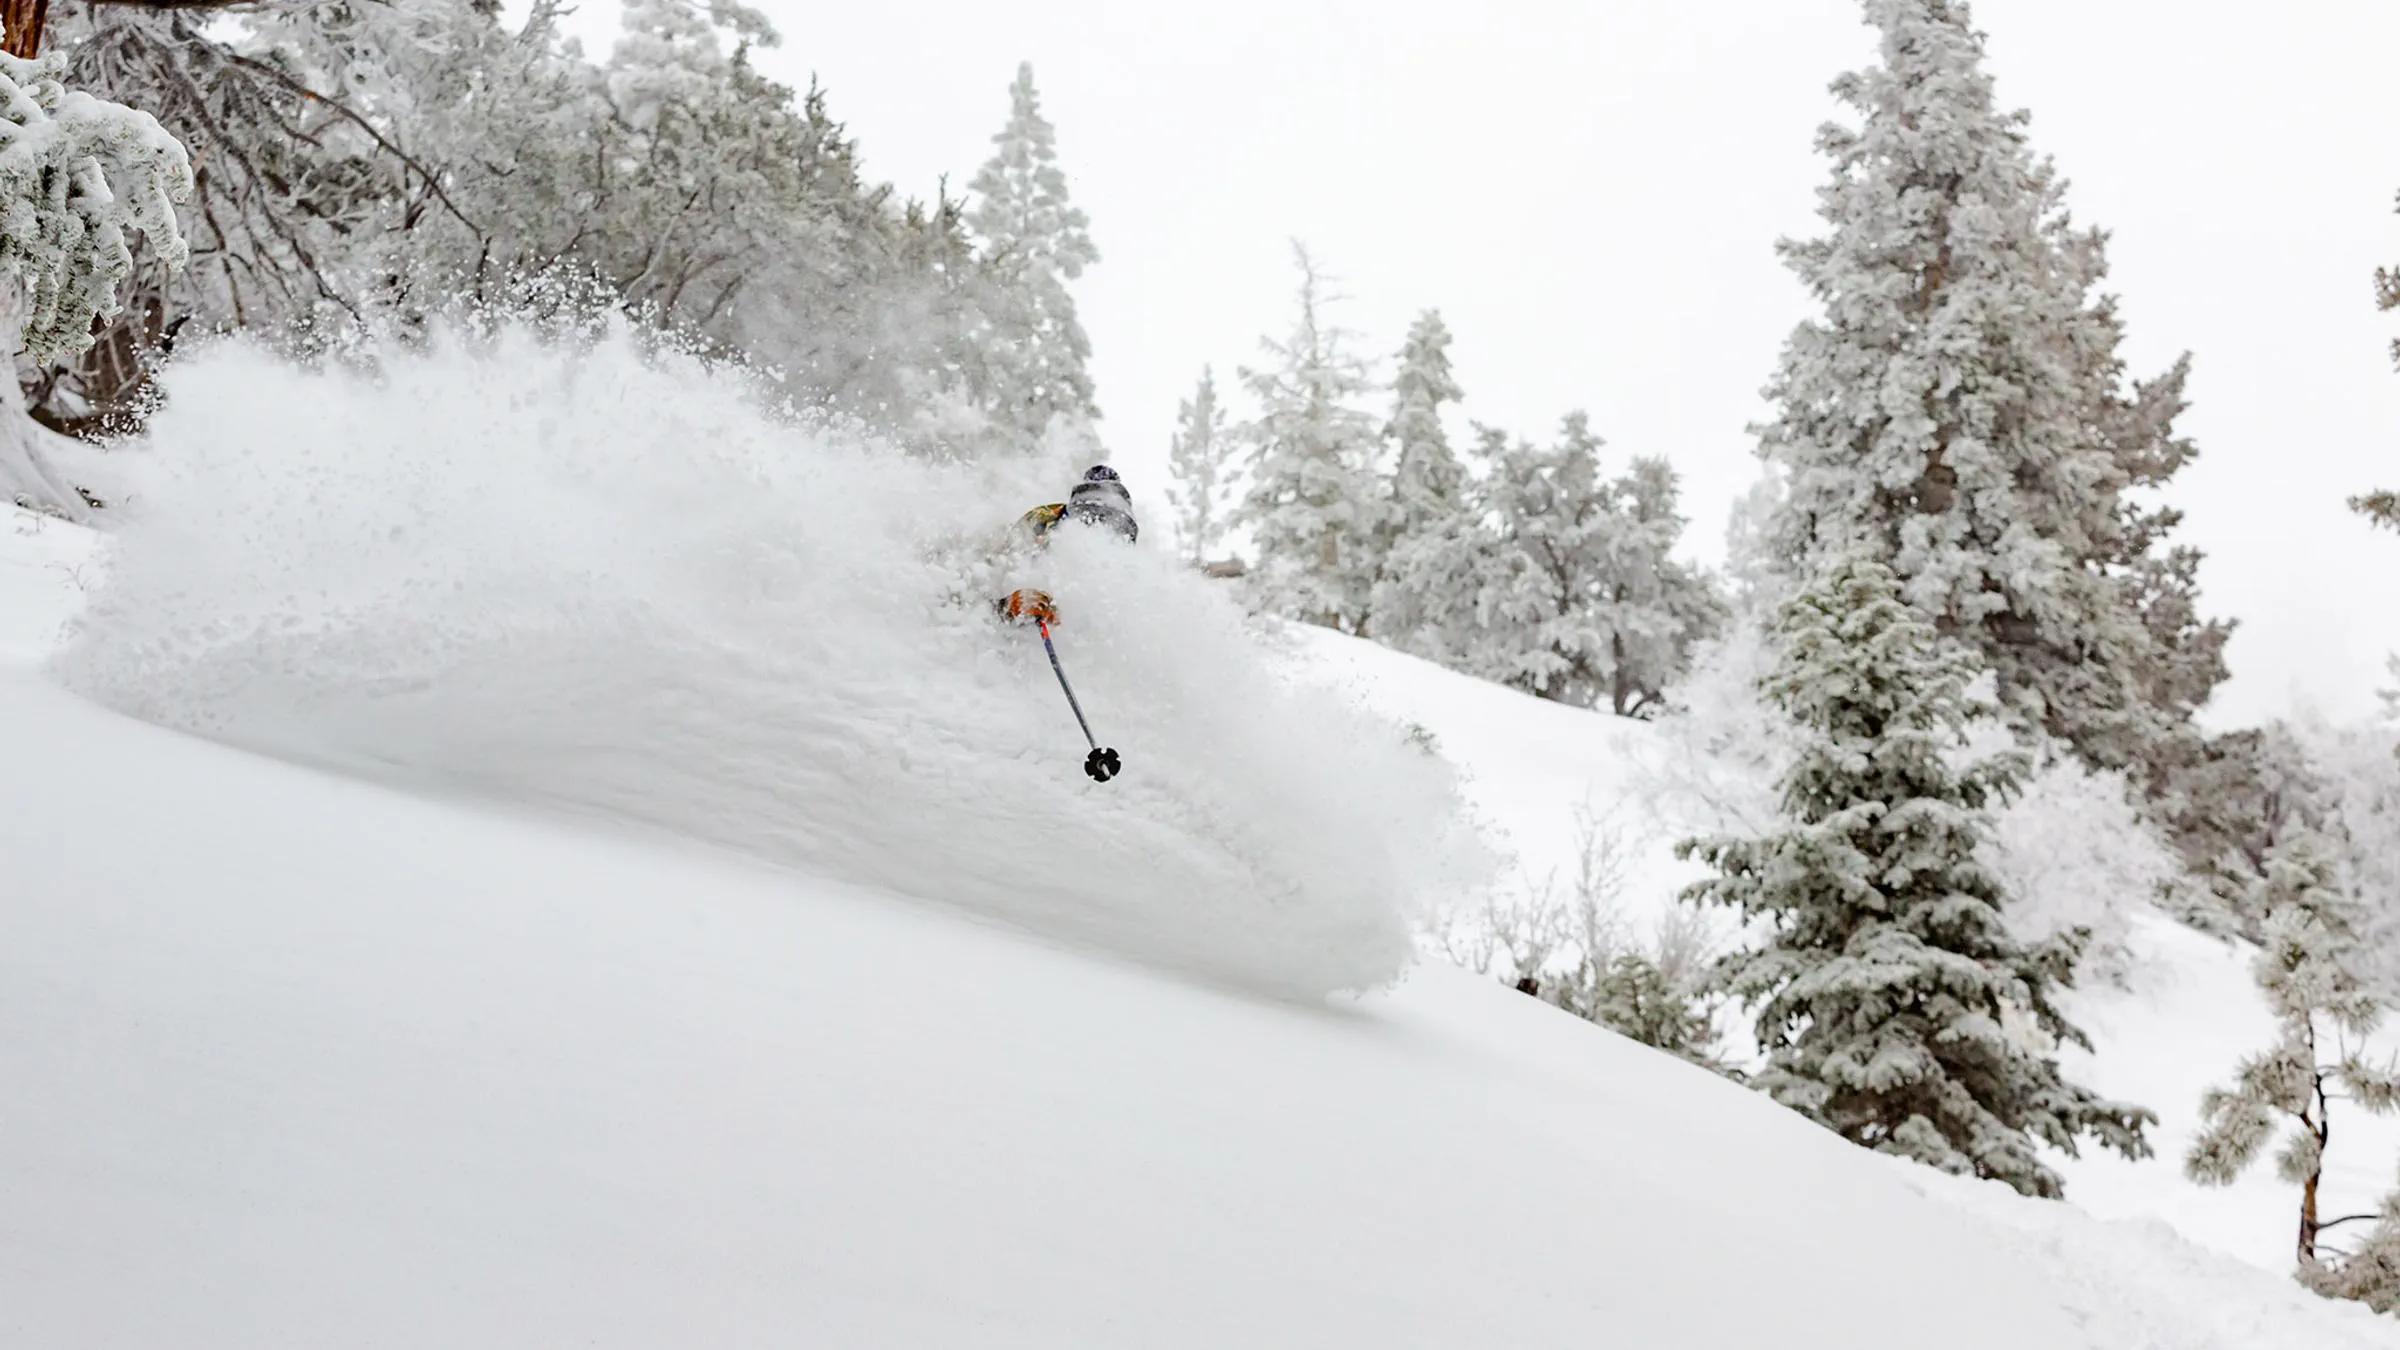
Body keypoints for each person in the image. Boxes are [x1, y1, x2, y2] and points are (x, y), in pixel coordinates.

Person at [997, 464, 1139, 623]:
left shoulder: (1125, 585)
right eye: (1089, 520)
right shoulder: (1038, 529)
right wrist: (1006, 607)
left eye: (1116, 530)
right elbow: (973, 601)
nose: (1100, 534)